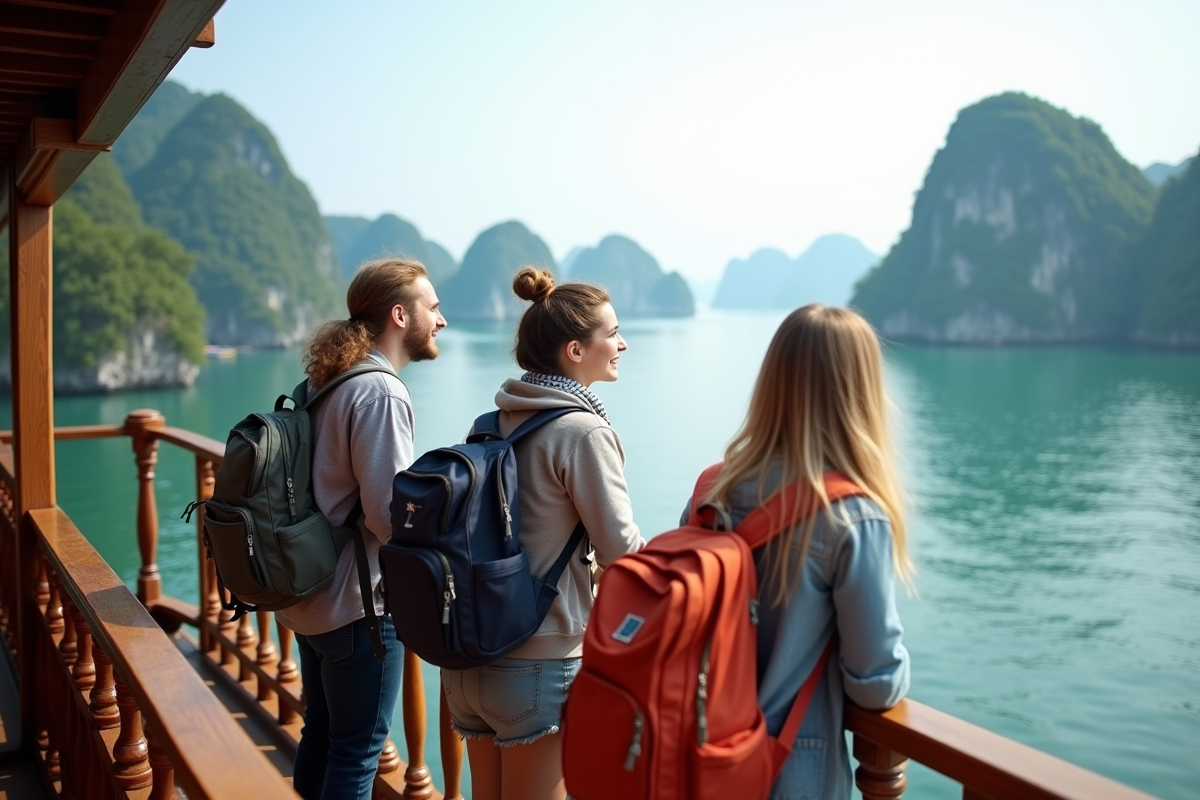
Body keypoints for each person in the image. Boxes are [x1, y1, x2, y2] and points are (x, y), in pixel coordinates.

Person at [680, 303, 912, 800]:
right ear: (862, 391)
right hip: (784, 776)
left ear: (773, 380)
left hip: (690, 763)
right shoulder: (853, 517)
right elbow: (876, 683)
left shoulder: (710, 489)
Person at [442, 267, 645, 800]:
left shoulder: (491, 422)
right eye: (612, 334)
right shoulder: (583, 432)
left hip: (468, 663)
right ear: (575, 351)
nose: (622, 344)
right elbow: (623, 553)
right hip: (537, 666)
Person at [280, 257, 446, 800]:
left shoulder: (325, 379)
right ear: (401, 316)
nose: (440, 320)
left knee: (323, 733)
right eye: (433, 307)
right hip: (359, 609)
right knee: (358, 753)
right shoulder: (380, 392)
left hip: (312, 595)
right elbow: (386, 515)